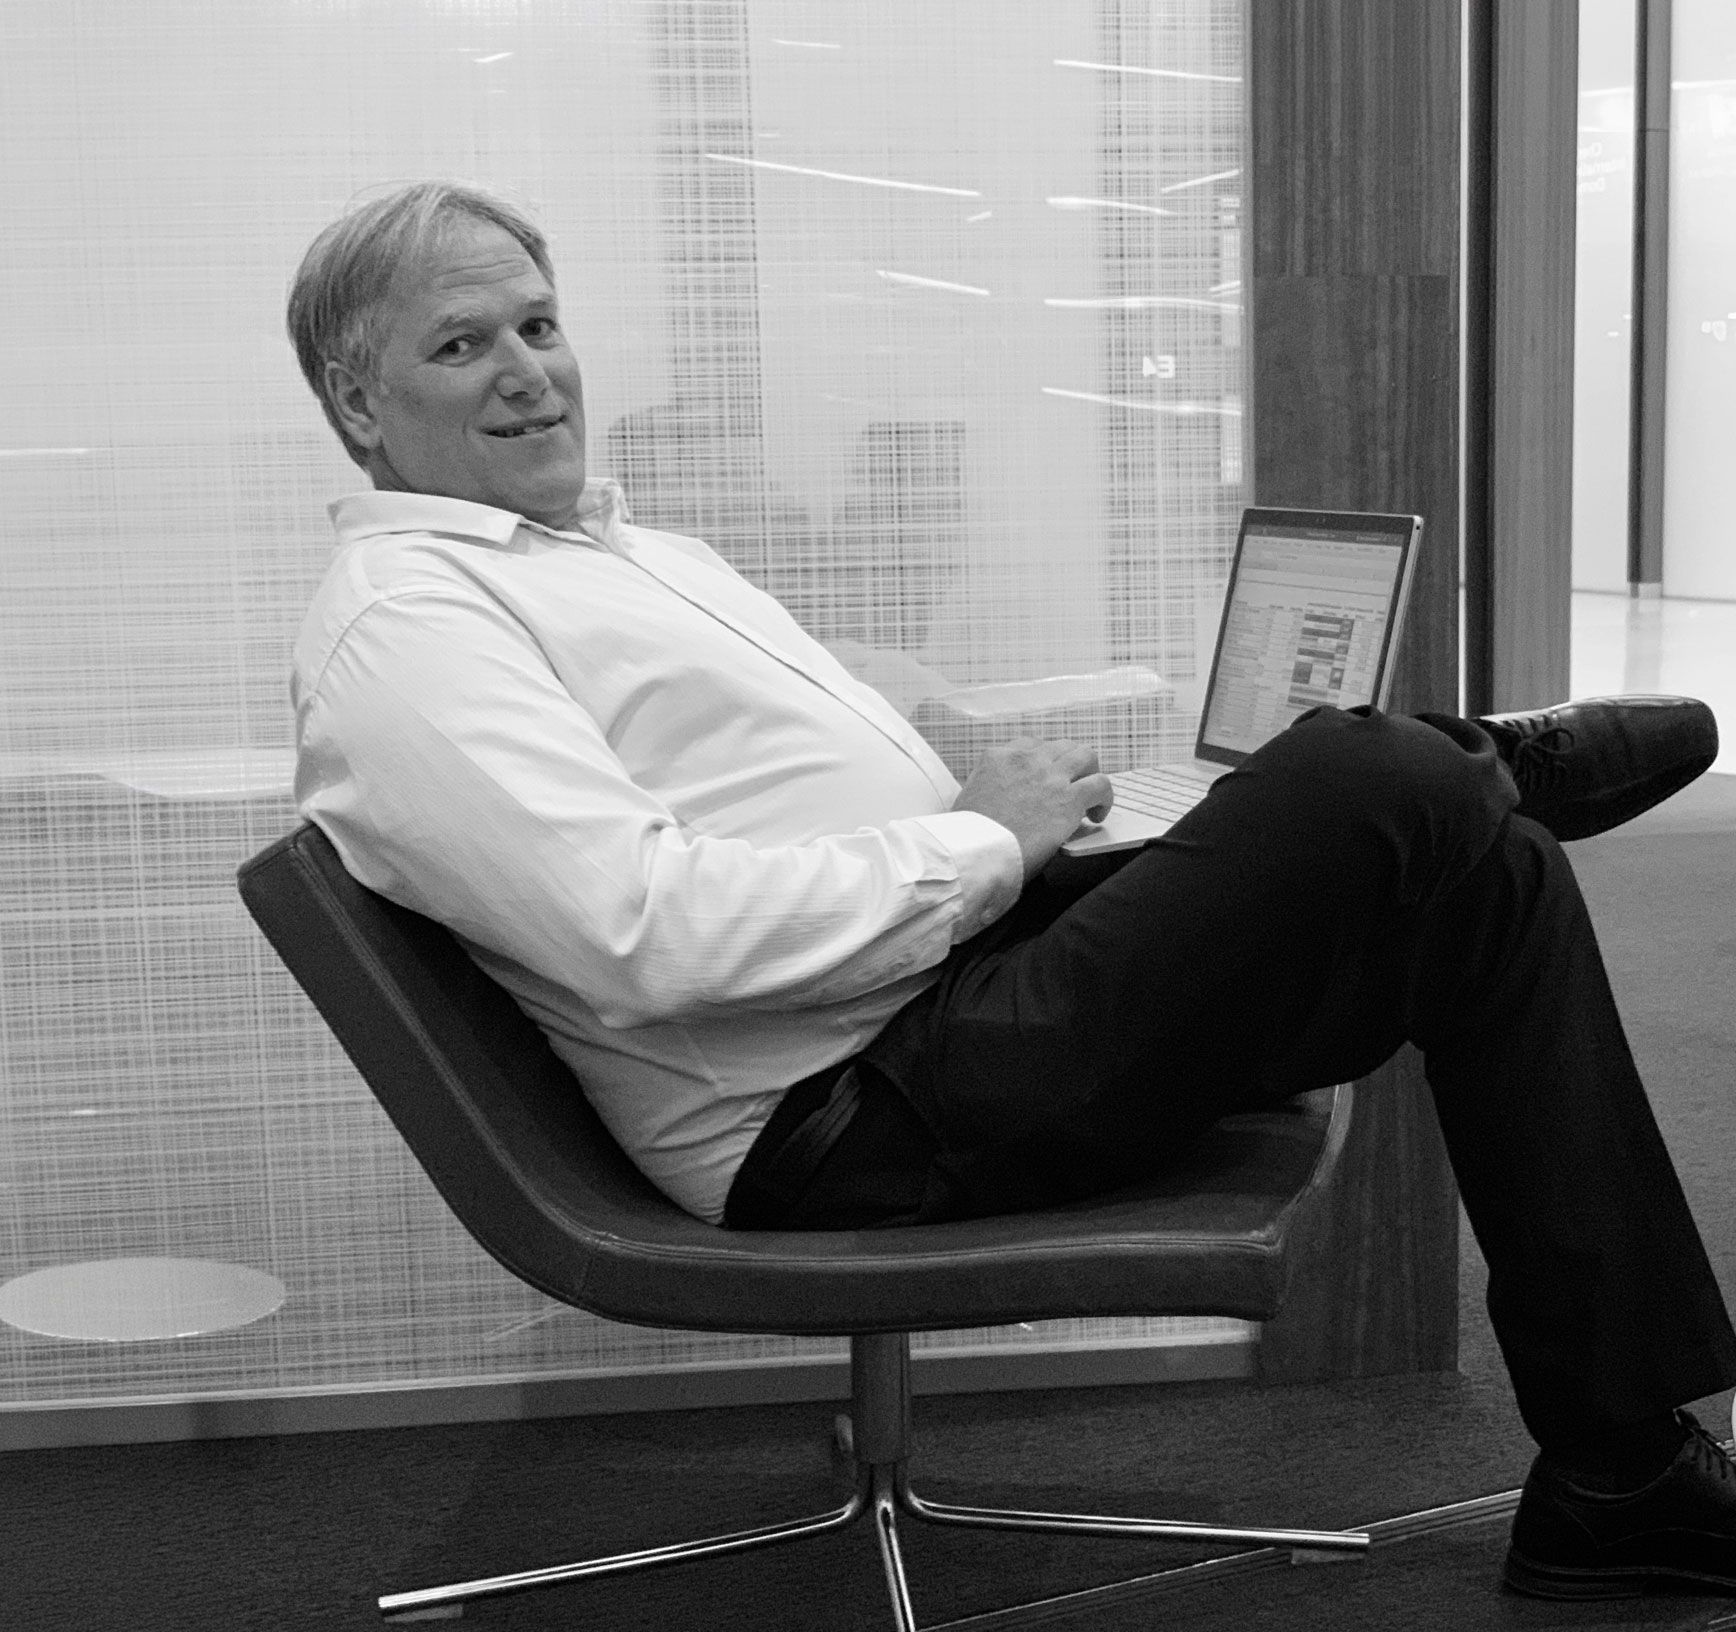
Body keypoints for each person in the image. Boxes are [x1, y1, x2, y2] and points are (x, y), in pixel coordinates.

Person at [288, 180, 1735, 1601]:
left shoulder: (605, 553)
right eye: (463, 345)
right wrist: (984, 841)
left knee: (1489, 878)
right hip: (847, 1108)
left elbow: (746, 800)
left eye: (539, 325)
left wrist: (966, 784)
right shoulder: (413, 629)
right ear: (361, 407)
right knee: (1365, 778)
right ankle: (1480, 761)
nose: (530, 374)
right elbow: (640, 932)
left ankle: (1621, 1471)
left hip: (932, 996)